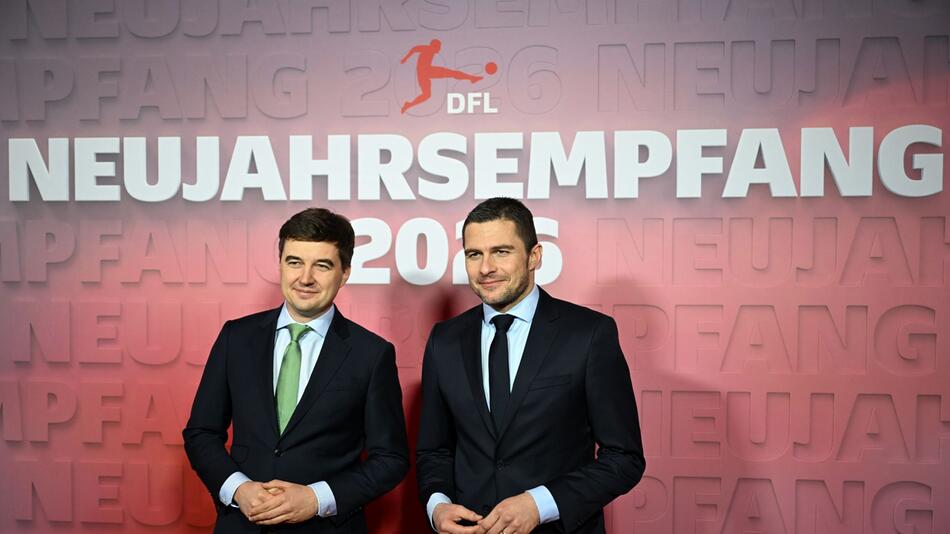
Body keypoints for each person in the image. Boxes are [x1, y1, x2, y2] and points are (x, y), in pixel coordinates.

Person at [416, 198, 645, 534]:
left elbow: (624, 458)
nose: (485, 268)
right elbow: (434, 450)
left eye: (501, 252)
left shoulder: (589, 334)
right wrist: (437, 505)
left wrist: (541, 504)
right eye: (474, 254)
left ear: (534, 256)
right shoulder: (444, 340)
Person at [183, 208, 409, 533]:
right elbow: (201, 433)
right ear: (280, 264)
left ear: (345, 272)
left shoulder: (372, 354)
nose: (305, 278)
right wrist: (238, 489)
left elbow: (390, 459)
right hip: (243, 524)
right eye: (294, 262)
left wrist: (316, 499)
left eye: (322, 265)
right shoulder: (237, 338)